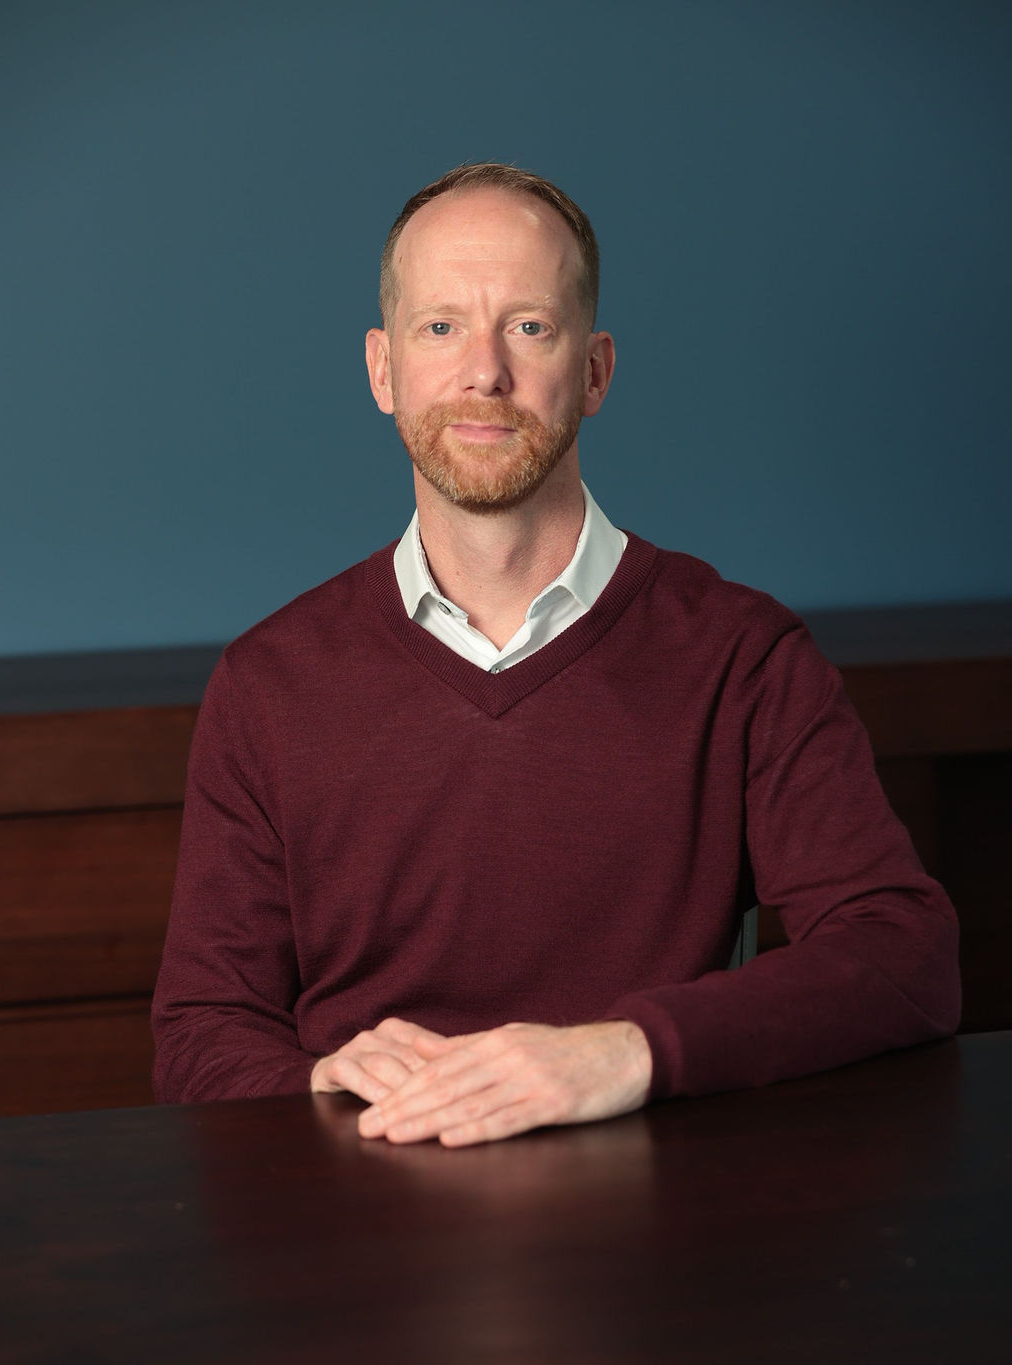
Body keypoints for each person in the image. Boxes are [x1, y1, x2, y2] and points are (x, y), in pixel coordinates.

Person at [152, 163, 960, 1146]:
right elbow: (200, 1031)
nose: (483, 371)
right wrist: (316, 1080)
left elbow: (902, 956)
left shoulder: (740, 658)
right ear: (381, 369)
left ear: (594, 370)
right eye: (440, 326)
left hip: (654, 1215)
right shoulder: (269, 683)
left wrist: (626, 1049)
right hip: (360, 1207)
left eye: (527, 326)